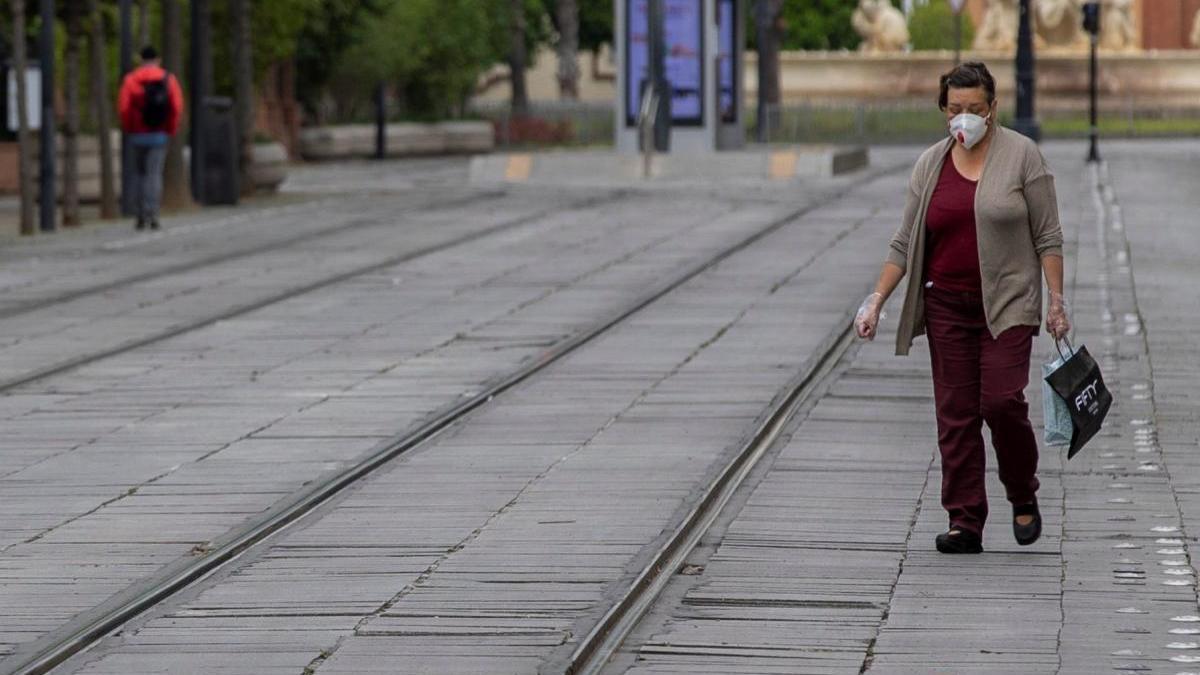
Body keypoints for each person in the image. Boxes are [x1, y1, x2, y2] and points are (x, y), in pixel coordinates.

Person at [854, 62, 1070, 554]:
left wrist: (1056, 301)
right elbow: (905, 240)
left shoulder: (1023, 157)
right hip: (947, 302)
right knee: (954, 414)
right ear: (942, 110)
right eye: (955, 109)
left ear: (993, 109)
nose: (965, 119)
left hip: (1008, 301)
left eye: (975, 109)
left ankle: (1022, 491)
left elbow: (1048, 235)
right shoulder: (930, 164)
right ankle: (965, 518)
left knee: (999, 402)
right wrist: (876, 299)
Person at [118, 46, 184, 231]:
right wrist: (170, 129)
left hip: (137, 134)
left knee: (139, 174)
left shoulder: (131, 80)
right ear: (158, 59)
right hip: (159, 134)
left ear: (140, 59)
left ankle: (139, 214)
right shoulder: (168, 79)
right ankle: (152, 212)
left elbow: (124, 107)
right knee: (154, 174)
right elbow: (176, 106)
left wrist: (130, 128)